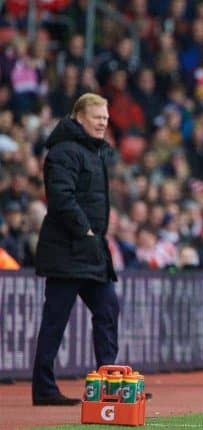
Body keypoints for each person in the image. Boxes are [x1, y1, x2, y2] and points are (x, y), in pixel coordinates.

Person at [32, 93, 119, 406]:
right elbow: (61, 197)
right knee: (55, 320)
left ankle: (109, 382)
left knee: (108, 310)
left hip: (90, 251)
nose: (103, 123)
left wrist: (93, 237)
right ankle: (43, 388)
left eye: (106, 119)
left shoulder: (93, 152)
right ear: (79, 116)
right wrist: (85, 229)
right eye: (98, 117)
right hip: (67, 250)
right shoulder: (65, 151)